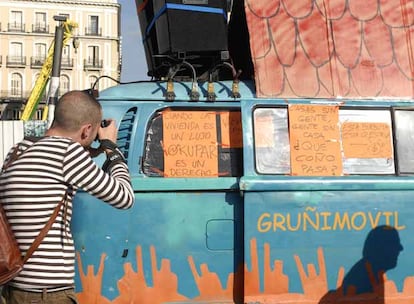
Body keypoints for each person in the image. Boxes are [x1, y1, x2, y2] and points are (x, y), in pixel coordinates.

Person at [0, 90, 135, 304]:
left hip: (12, 290)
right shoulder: (67, 153)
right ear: (87, 130)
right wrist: (111, 148)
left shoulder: (18, 151)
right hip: (48, 295)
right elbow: (124, 197)